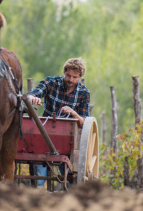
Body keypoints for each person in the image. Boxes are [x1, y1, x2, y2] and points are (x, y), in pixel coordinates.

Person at [28, 58, 90, 188]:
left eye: (75, 77)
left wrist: (73, 113)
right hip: (45, 135)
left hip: (68, 141)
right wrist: (33, 97)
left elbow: (84, 122)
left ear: (80, 77)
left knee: (70, 179)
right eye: (68, 75)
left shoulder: (84, 93)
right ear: (64, 72)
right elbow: (36, 92)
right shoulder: (51, 83)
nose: (70, 80)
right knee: (38, 179)